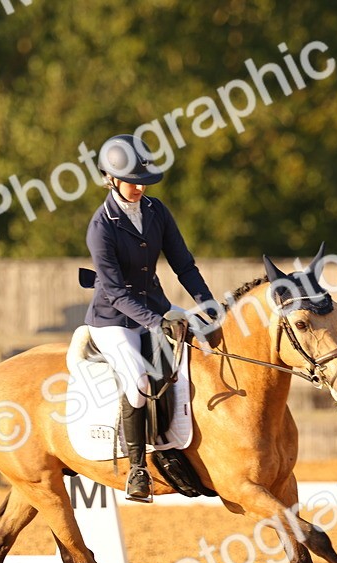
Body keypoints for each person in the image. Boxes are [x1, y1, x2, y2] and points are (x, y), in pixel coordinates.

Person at [80, 133, 217, 503]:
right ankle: (138, 469)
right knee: (139, 381)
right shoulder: (102, 227)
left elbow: (183, 265)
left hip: (155, 307)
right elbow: (114, 292)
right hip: (113, 320)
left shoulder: (156, 211)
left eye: (144, 180)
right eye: (132, 180)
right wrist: (158, 322)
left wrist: (207, 304)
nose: (140, 187)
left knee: (206, 347)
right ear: (111, 178)